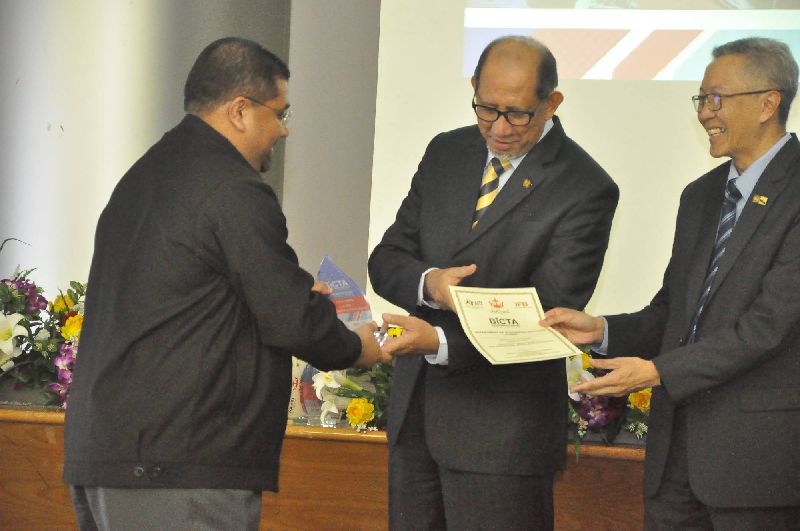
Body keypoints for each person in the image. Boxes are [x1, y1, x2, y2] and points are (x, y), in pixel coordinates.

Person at [63, 37, 387, 530]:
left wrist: (291, 296)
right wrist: (358, 347)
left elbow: (199, 296)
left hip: (108, 454)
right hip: (180, 467)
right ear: (240, 110)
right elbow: (288, 319)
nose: (284, 129)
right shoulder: (233, 187)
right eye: (280, 112)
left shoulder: (143, 177)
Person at [541, 37, 800, 530]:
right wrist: (601, 329)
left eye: (716, 98)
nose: (704, 112)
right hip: (675, 463)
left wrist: (656, 371)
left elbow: (768, 328)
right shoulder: (700, 196)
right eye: (701, 98)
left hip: (759, 468)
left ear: (769, 103)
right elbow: (673, 312)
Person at [368, 36, 619, 530]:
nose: (499, 128)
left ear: (552, 103)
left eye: (518, 114)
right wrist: (431, 284)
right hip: (416, 420)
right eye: (486, 109)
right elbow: (388, 258)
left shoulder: (585, 186)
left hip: (503, 435)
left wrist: (439, 340)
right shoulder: (448, 151)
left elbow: (547, 314)